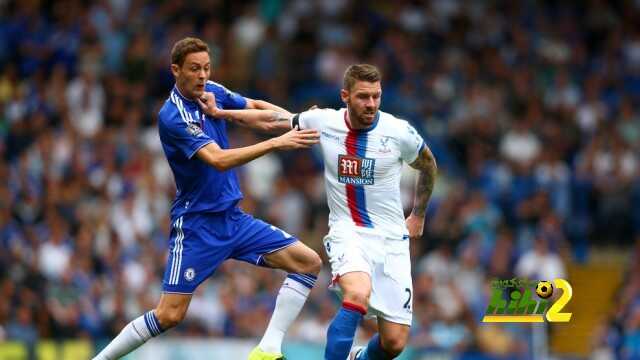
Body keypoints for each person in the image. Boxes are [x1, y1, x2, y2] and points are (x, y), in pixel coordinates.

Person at [93, 37, 323, 360]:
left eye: (206, 68)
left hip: (233, 219)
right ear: (175, 70)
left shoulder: (211, 92)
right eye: (194, 69)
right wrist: (277, 143)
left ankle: (268, 348)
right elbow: (217, 159)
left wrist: (297, 120)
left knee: (308, 262)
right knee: (169, 314)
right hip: (197, 226)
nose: (202, 75)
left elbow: (256, 108)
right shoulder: (172, 116)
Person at [201, 64, 438, 359]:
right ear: (345, 96)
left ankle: (357, 356)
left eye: (376, 96)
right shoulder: (324, 122)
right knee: (357, 294)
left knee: (394, 343)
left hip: (391, 240)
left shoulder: (398, 132)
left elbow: (428, 164)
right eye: (363, 97)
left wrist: (418, 214)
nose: (372, 104)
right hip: (348, 232)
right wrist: (222, 114)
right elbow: (275, 121)